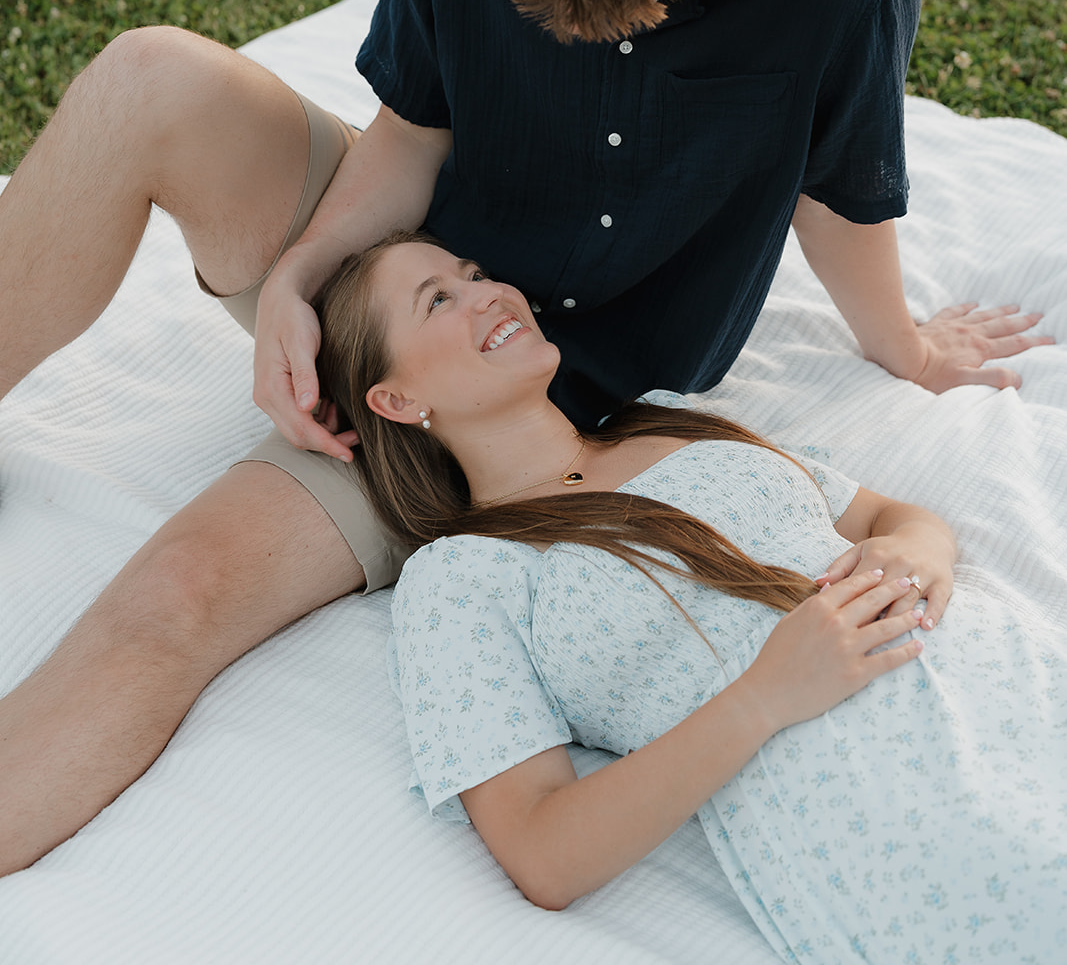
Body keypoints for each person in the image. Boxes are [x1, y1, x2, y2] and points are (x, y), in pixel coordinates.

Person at [0, 0, 1050, 877]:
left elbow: (838, 196)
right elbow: (410, 135)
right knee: (149, 73)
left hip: (528, 394)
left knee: (179, 592)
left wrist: (900, 343)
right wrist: (299, 283)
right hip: (409, 258)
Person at [313, 230, 1067, 963]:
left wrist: (914, 549)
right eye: (437, 299)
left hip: (1003, 678)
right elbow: (542, 854)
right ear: (394, 398)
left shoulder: (675, 419)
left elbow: (882, 516)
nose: (485, 294)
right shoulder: (461, 576)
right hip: (881, 801)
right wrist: (764, 696)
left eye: (474, 273)